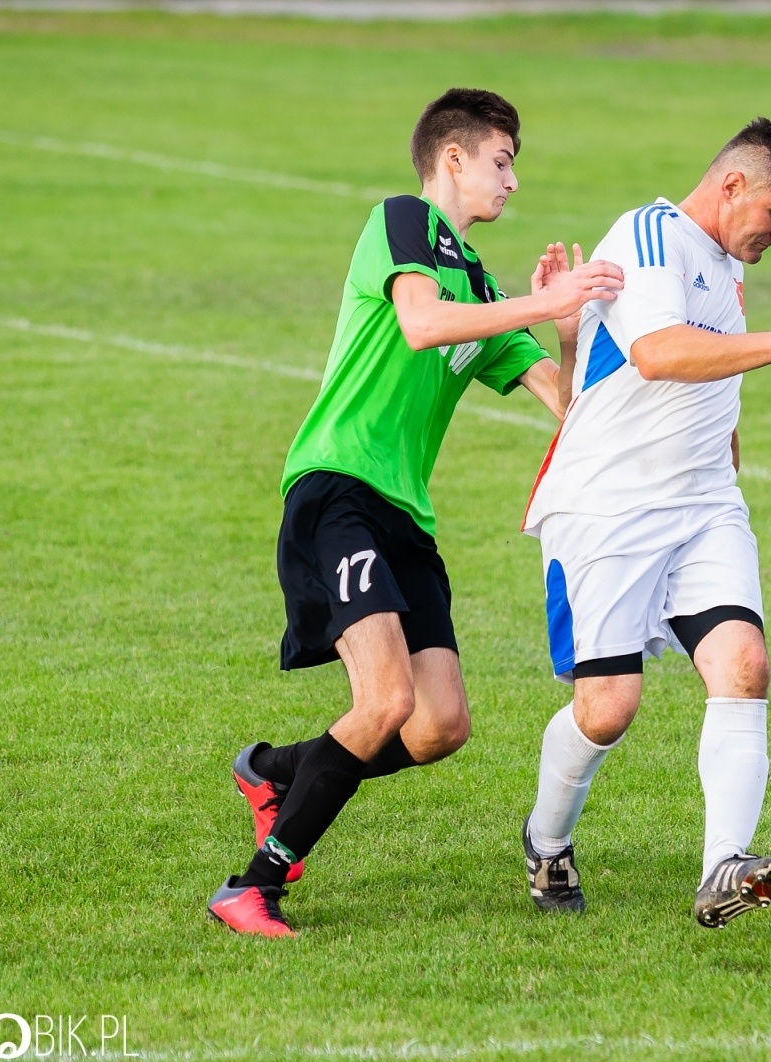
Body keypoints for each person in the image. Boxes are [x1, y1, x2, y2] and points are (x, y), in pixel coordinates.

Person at [207, 88, 623, 937]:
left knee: (438, 726)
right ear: (455, 159)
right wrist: (541, 305)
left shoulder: (483, 282)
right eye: (502, 162)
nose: (512, 183)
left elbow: (569, 408)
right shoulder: (402, 221)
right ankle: (252, 887)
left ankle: (280, 770)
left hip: (407, 520)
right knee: (387, 698)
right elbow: (423, 324)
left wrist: (570, 327)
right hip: (338, 491)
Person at [517, 117, 771, 928]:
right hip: (608, 507)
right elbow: (661, 354)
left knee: (743, 665)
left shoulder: (724, 264)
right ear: (732, 183)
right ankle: (546, 841)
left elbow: (706, 378)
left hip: (702, 506)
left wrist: (725, 458)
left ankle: (723, 869)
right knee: (608, 707)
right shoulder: (648, 236)